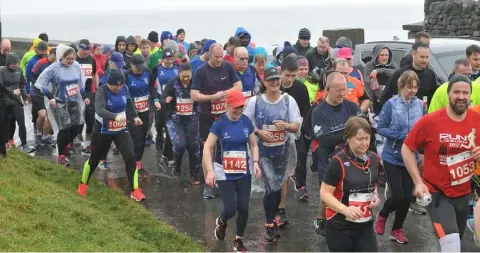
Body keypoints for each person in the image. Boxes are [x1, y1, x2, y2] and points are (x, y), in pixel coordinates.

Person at [402, 74, 480, 252]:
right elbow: (407, 149)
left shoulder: (477, 120)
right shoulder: (431, 121)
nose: (461, 97)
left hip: (463, 193)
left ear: (470, 96)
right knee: (451, 243)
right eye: (456, 92)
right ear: (448, 93)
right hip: (436, 193)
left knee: (455, 241)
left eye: (465, 93)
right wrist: (418, 181)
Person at [244, 67, 301, 241]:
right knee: (270, 186)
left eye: (277, 79)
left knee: (277, 188)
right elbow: (245, 124)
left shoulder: (288, 100)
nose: (275, 83)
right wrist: (259, 132)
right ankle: (269, 223)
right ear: (264, 82)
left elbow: (296, 126)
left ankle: (274, 218)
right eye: (271, 80)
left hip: (282, 151)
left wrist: (286, 126)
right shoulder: (255, 102)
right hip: (262, 151)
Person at [203, 89, 260, 252]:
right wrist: (210, 171)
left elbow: (253, 144)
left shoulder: (246, 122)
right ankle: (222, 221)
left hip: (243, 170)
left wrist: (255, 162)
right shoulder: (220, 123)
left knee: (244, 208)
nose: (238, 111)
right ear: (227, 105)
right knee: (230, 209)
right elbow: (208, 147)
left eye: (241, 108)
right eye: (235, 108)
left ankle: (238, 240)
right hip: (224, 171)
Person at [77, 69, 145, 201]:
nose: (118, 88)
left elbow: (129, 103)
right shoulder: (102, 91)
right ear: (109, 83)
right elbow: (100, 110)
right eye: (115, 85)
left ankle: (135, 190)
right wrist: (114, 116)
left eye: (120, 85)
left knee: (131, 157)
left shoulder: (124, 88)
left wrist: (135, 116)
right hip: (103, 131)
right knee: (95, 159)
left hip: (120, 129)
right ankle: (83, 185)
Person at [374, 71, 425, 244]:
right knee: (399, 195)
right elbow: (380, 127)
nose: (413, 90)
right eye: (409, 87)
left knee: (407, 198)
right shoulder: (391, 104)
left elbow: (423, 129)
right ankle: (382, 215)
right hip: (392, 156)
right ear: (401, 86)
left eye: (415, 87)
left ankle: (397, 229)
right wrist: (399, 134)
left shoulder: (419, 105)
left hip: (411, 157)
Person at [311, 72, 362, 236]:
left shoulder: (351, 106)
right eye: (338, 90)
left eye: (344, 90)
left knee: (348, 192)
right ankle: (322, 219)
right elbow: (325, 140)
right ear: (327, 89)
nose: (342, 93)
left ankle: (342, 223)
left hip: (351, 159)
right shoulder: (318, 112)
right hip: (328, 160)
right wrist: (349, 134)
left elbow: (364, 128)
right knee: (329, 194)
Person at [320, 116, 381, 252]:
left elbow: (372, 184)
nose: (365, 143)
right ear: (348, 138)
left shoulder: (373, 158)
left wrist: (375, 197)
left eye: (367, 138)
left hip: (364, 223)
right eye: (359, 139)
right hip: (340, 225)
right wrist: (345, 209)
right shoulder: (337, 162)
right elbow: (324, 194)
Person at [191, 43, 242, 199]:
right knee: (208, 149)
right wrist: (212, 97)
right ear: (209, 55)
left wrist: (226, 93)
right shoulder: (201, 71)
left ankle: (227, 181)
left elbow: (238, 85)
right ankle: (208, 184)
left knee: (226, 147)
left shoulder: (228, 67)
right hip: (207, 115)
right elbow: (194, 95)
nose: (219, 60)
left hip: (224, 115)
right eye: (216, 57)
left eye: (221, 57)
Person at [34, 44, 90, 166]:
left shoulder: (76, 66)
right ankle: (61, 155)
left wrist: (84, 96)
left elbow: (80, 82)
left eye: (72, 58)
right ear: (62, 57)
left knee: (77, 126)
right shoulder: (54, 68)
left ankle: (67, 144)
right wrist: (50, 97)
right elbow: (41, 83)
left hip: (74, 100)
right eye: (68, 59)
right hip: (59, 102)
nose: (70, 61)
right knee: (65, 129)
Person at [162, 63, 201, 184]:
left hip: (192, 118)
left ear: (192, 73)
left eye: (188, 76)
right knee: (180, 145)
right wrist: (166, 100)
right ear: (178, 74)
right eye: (183, 76)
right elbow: (163, 98)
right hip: (175, 119)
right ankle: (176, 166)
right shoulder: (172, 83)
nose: (185, 79)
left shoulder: (196, 82)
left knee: (194, 147)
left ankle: (194, 174)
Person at [126, 54, 160, 179]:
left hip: (144, 109)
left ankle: (138, 162)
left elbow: (151, 87)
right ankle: (131, 163)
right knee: (134, 137)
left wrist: (155, 99)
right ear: (131, 65)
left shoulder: (146, 72)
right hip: (131, 111)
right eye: (137, 67)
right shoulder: (127, 75)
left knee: (142, 137)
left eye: (141, 66)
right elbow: (123, 93)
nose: (139, 69)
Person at [0, 52, 34, 153]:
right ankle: (5, 142)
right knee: (5, 122)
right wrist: (12, 91)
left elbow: (22, 84)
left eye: (17, 63)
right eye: (13, 63)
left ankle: (24, 144)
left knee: (21, 121)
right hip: (5, 100)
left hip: (16, 100)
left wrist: (25, 97)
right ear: (8, 63)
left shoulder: (19, 70)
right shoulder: (2, 71)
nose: (16, 65)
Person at [151, 48, 178, 167]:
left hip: (173, 102)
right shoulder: (157, 68)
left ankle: (169, 156)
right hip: (161, 99)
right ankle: (159, 136)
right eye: (167, 59)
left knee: (171, 129)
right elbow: (151, 86)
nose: (169, 61)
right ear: (163, 59)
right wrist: (155, 99)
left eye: (171, 59)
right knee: (159, 124)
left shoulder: (177, 68)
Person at [30, 47, 57, 147]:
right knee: (42, 115)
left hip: (49, 94)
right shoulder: (41, 63)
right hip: (37, 92)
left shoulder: (56, 66)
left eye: (56, 60)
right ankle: (38, 133)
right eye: (53, 59)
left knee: (50, 116)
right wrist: (39, 85)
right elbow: (31, 75)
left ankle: (45, 137)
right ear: (49, 54)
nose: (54, 61)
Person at [76, 39, 99, 155]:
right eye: (83, 49)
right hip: (75, 92)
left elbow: (94, 74)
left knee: (90, 115)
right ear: (78, 48)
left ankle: (87, 143)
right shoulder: (74, 59)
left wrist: (98, 88)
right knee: (77, 116)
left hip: (88, 90)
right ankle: (74, 137)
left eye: (87, 50)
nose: (85, 52)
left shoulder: (91, 59)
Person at [363, 44, 398, 114]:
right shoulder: (369, 65)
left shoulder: (392, 65)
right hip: (376, 100)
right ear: (376, 55)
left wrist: (380, 70)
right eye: (382, 55)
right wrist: (383, 98)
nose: (384, 57)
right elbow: (371, 82)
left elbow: (397, 73)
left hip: (391, 99)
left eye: (386, 55)